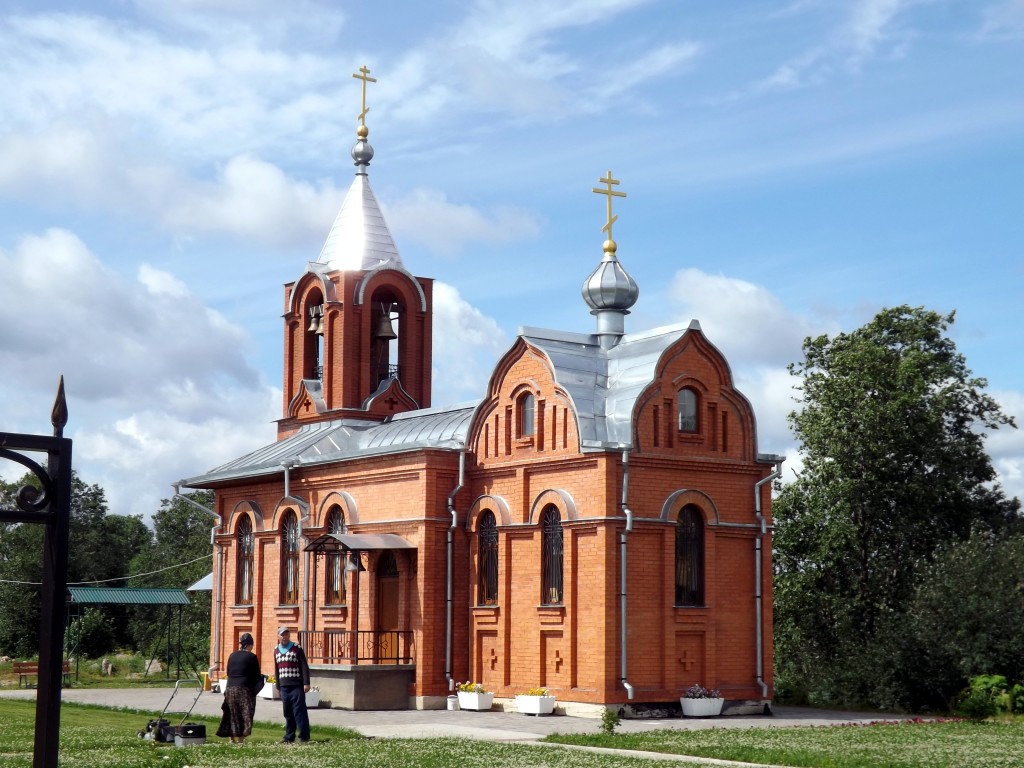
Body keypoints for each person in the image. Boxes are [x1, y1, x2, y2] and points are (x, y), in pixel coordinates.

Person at [216, 632, 261, 744]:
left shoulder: (232, 655)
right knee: (243, 713)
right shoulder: (252, 656)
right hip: (244, 688)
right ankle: (241, 739)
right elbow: (257, 676)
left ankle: (231, 739)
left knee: (231, 713)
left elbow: (228, 672)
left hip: (230, 687)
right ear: (250, 645)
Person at [273, 626, 311, 744]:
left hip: (296, 685)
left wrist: (306, 683)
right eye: (282, 635)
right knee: (287, 712)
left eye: (286, 634)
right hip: (284, 686)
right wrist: (278, 686)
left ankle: (303, 736)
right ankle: (289, 736)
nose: (284, 637)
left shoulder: (297, 648)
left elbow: (304, 666)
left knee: (299, 711)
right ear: (278, 636)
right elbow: (276, 669)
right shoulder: (276, 650)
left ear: (289, 636)